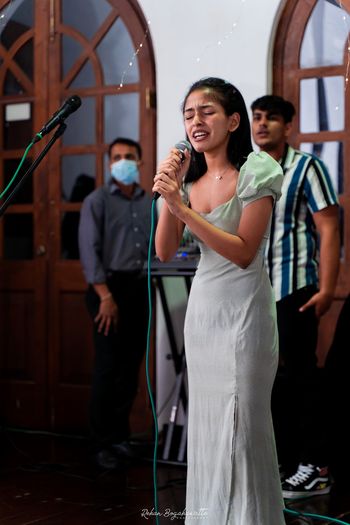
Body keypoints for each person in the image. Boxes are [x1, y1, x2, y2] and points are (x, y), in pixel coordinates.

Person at [153, 77, 285, 524]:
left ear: (232, 120)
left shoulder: (258, 170)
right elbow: (165, 251)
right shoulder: (188, 181)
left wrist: (181, 206)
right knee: (208, 431)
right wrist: (170, 193)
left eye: (206, 111)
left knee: (243, 429)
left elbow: (244, 252)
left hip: (245, 313)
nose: (195, 121)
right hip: (205, 313)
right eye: (188, 114)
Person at [251, 95, 340, 499]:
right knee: (270, 381)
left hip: (295, 288)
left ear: (288, 126)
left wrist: (327, 289)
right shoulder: (249, 170)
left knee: (303, 377)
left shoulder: (307, 167)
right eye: (256, 118)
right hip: (256, 293)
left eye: (271, 118)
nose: (262, 124)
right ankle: (286, 463)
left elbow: (329, 229)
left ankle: (317, 467)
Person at [78, 137, 153, 470]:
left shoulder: (149, 200)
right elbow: (88, 250)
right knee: (107, 367)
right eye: (118, 157)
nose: (124, 161)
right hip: (106, 290)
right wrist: (105, 297)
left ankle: (120, 438)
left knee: (129, 367)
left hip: (138, 290)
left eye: (130, 157)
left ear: (140, 162)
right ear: (109, 164)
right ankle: (100, 443)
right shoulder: (96, 201)